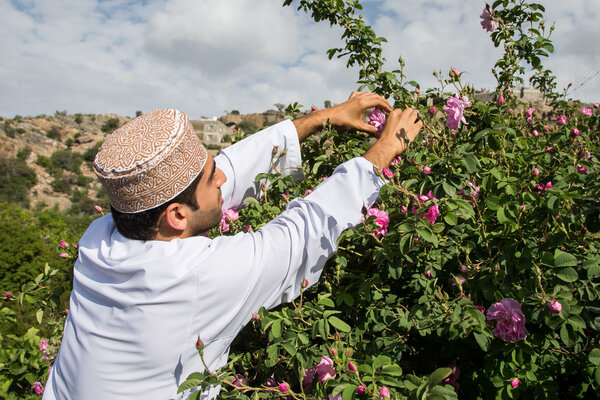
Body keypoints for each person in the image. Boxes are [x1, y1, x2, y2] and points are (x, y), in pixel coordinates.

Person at [43, 92, 422, 400]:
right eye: (211, 178)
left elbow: (231, 167)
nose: (223, 176)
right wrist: (385, 148)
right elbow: (302, 232)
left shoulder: (101, 236)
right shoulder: (195, 277)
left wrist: (326, 117)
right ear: (175, 215)